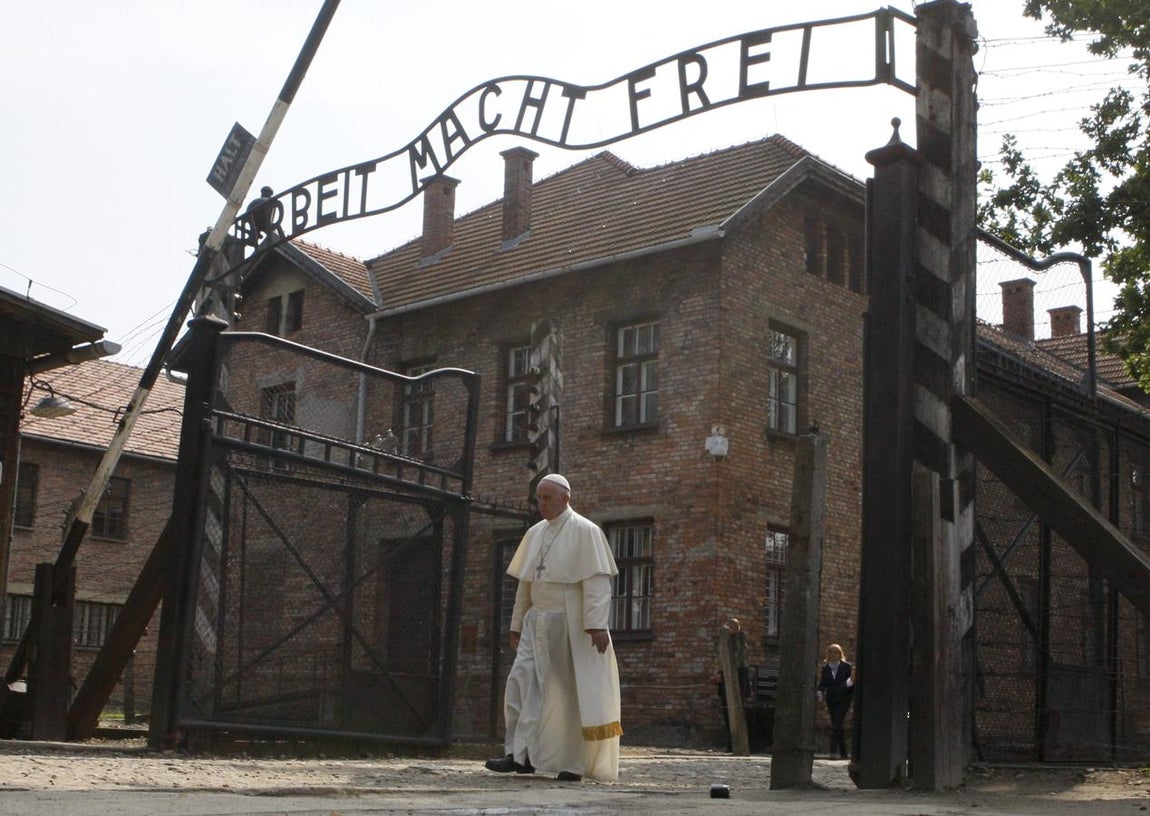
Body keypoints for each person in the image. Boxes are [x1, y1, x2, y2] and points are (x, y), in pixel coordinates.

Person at [484, 473, 623, 782]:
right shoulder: (535, 533)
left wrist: (597, 624)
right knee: (521, 682)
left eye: (547, 498)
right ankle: (519, 755)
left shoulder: (586, 531)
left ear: (566, 498)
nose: (542, 504)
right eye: (539, 498)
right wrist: (517, 623)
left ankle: (571, 764)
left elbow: (597, 582)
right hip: (536, 622)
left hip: (568, 621)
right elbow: (526, 583)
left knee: (565, 693)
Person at [711, 617, 751, 752]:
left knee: (737, 712)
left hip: (737, 680)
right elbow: (720, 661)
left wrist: (723, 675)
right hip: (726, 681)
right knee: (727, 713)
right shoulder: (723, 643)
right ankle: (730, 742)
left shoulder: (739, 642)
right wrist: (718, 674)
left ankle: (738, 744)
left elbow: (737, 663)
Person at [816, 643, 855, 759]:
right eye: (831, 652)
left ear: (840, 654)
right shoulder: (826, 668)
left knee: (837, 722)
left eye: (836, 652)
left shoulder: (846, 667)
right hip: (831, 699)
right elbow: (823, 683)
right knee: (836, 725)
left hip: (844, 699)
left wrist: (848, 688)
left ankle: (832, 751)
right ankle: (843, 752)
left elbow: (851, 682)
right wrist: (820, 692)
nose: (833, 654)